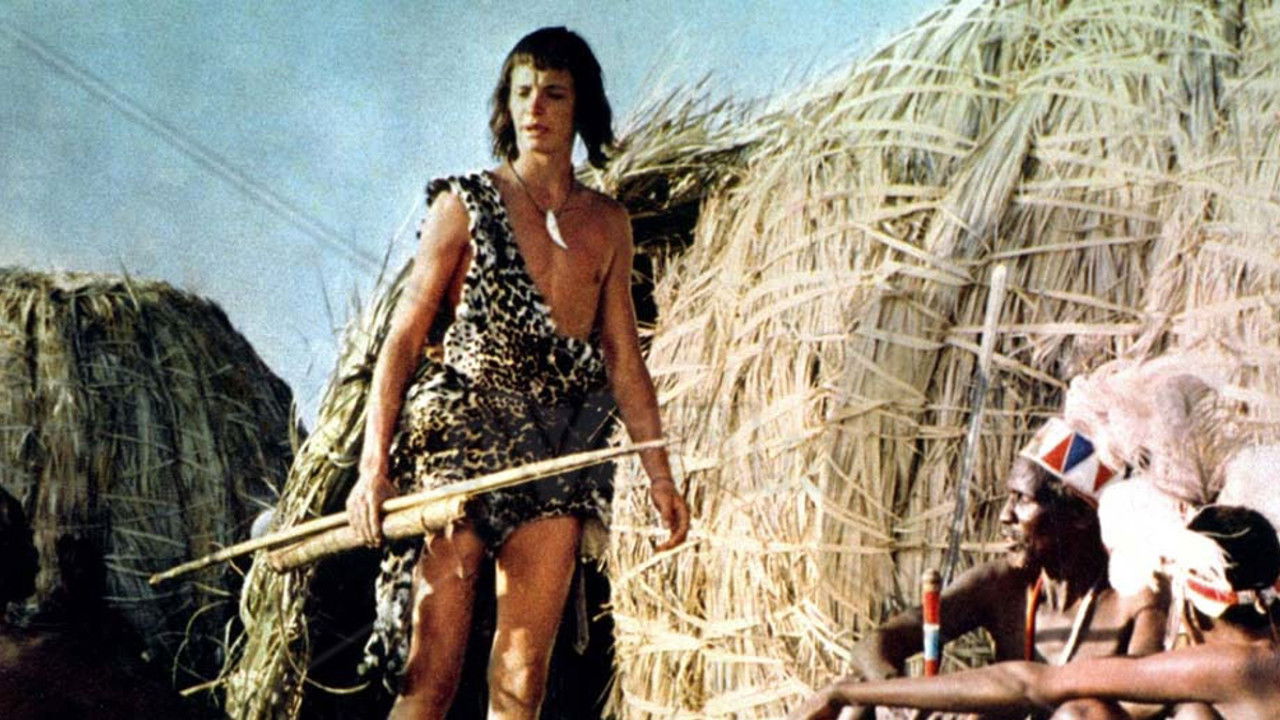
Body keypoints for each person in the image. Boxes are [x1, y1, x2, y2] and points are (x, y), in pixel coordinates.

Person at [343, 27, 690, 720]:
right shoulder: (465, 204)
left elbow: (623, 357)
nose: (535, 108)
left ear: (580, 107)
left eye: (554, 94)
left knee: (522, 678)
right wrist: (372, 467)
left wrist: (659, 476)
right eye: (523, 92)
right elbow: (403, 338)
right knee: (432, 672)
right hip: (461, 439)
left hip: (556, 449)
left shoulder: (607, 224)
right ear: (507, 105)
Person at [808, 419, 1174, 720]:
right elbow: (874, 645)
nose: (1004, 516)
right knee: (858, 697)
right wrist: (900, 697)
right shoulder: (1003, 584)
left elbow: (1144, 702)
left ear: (1079, 515)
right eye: (1008, 498)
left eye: (1023, 500)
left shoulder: (1135, 596)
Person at [787, 502, 1280, 720]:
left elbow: (1029, 684)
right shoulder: (1257, 656)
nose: (1008, 515)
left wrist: (846, 690)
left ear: (1194, 609)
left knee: (1083, 715)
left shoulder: (1237, 665)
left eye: (1024, 501)